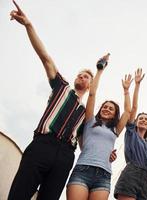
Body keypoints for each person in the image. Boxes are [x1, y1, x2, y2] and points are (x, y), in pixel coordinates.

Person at [8, 1, 94, 200]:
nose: (82, 77)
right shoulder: (61, 87)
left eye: (86, 76)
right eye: (80, 74)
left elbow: (83, 142)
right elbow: (45, 58)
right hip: (42, 145)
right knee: (19, 193)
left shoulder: (86, 112)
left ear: (91, 84)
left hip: (65, 156)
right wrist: (29, 26)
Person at [66, 55, 134, 200]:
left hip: (103, 175)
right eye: (105, 107)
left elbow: (128, 111)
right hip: (83, 170)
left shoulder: (115, 129)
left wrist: (126, 91)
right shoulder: (90, 120)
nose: (107, 109)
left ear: (115, 114)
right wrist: (100, 70)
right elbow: (92, 93)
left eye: (111, 109)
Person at [114, 69, 147, 200]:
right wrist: (137, 85)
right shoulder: (131, 132)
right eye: (140, 118)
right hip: (131, 173)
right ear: (135, 122)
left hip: (145, 179)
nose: (143, 120)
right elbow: (134, 108)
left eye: (146, 120)